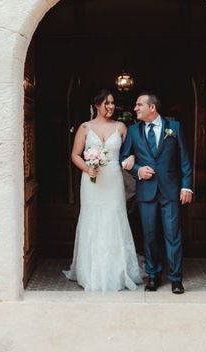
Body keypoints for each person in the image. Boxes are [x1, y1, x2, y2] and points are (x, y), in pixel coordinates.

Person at [63, 89, 143, 291]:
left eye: (112, 103)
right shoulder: (84, 127)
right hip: (91, 182)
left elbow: (129, 153)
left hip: (114, 180)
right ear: (97, 105)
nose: (110, 107)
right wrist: (88, 168)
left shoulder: (122, 127)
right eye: (106, 103)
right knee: (92, 219)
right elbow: (75, 155)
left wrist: (132, 158)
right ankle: (90, 271)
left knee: (115, 219)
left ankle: (118, 271)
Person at [120, 93, 193, 294]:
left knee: (173, 235)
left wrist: (186, 186)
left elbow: (184, 159)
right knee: (150, 235)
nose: (135, 108)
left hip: (170, 190)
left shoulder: (174, 128)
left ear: (152, 108)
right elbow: (124, 158)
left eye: (139, 105)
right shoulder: (133, 131)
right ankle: (153, 276)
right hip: (146, 191)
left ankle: (176, 279)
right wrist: (138, 171)